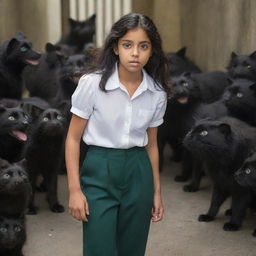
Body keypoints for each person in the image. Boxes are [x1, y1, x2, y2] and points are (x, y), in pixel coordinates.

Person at [65, 12, 170, 256]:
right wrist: (74, 190)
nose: (135, 53)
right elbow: (72, 138)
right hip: (99, 170)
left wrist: (156, 192)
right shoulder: (92, 84)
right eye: (127, 45)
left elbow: (152, 145)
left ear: (152, 51)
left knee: (132, 249)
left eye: (143, 46)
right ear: (115, 48)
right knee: (99, 248)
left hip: (138, 172)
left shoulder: (156, 93)